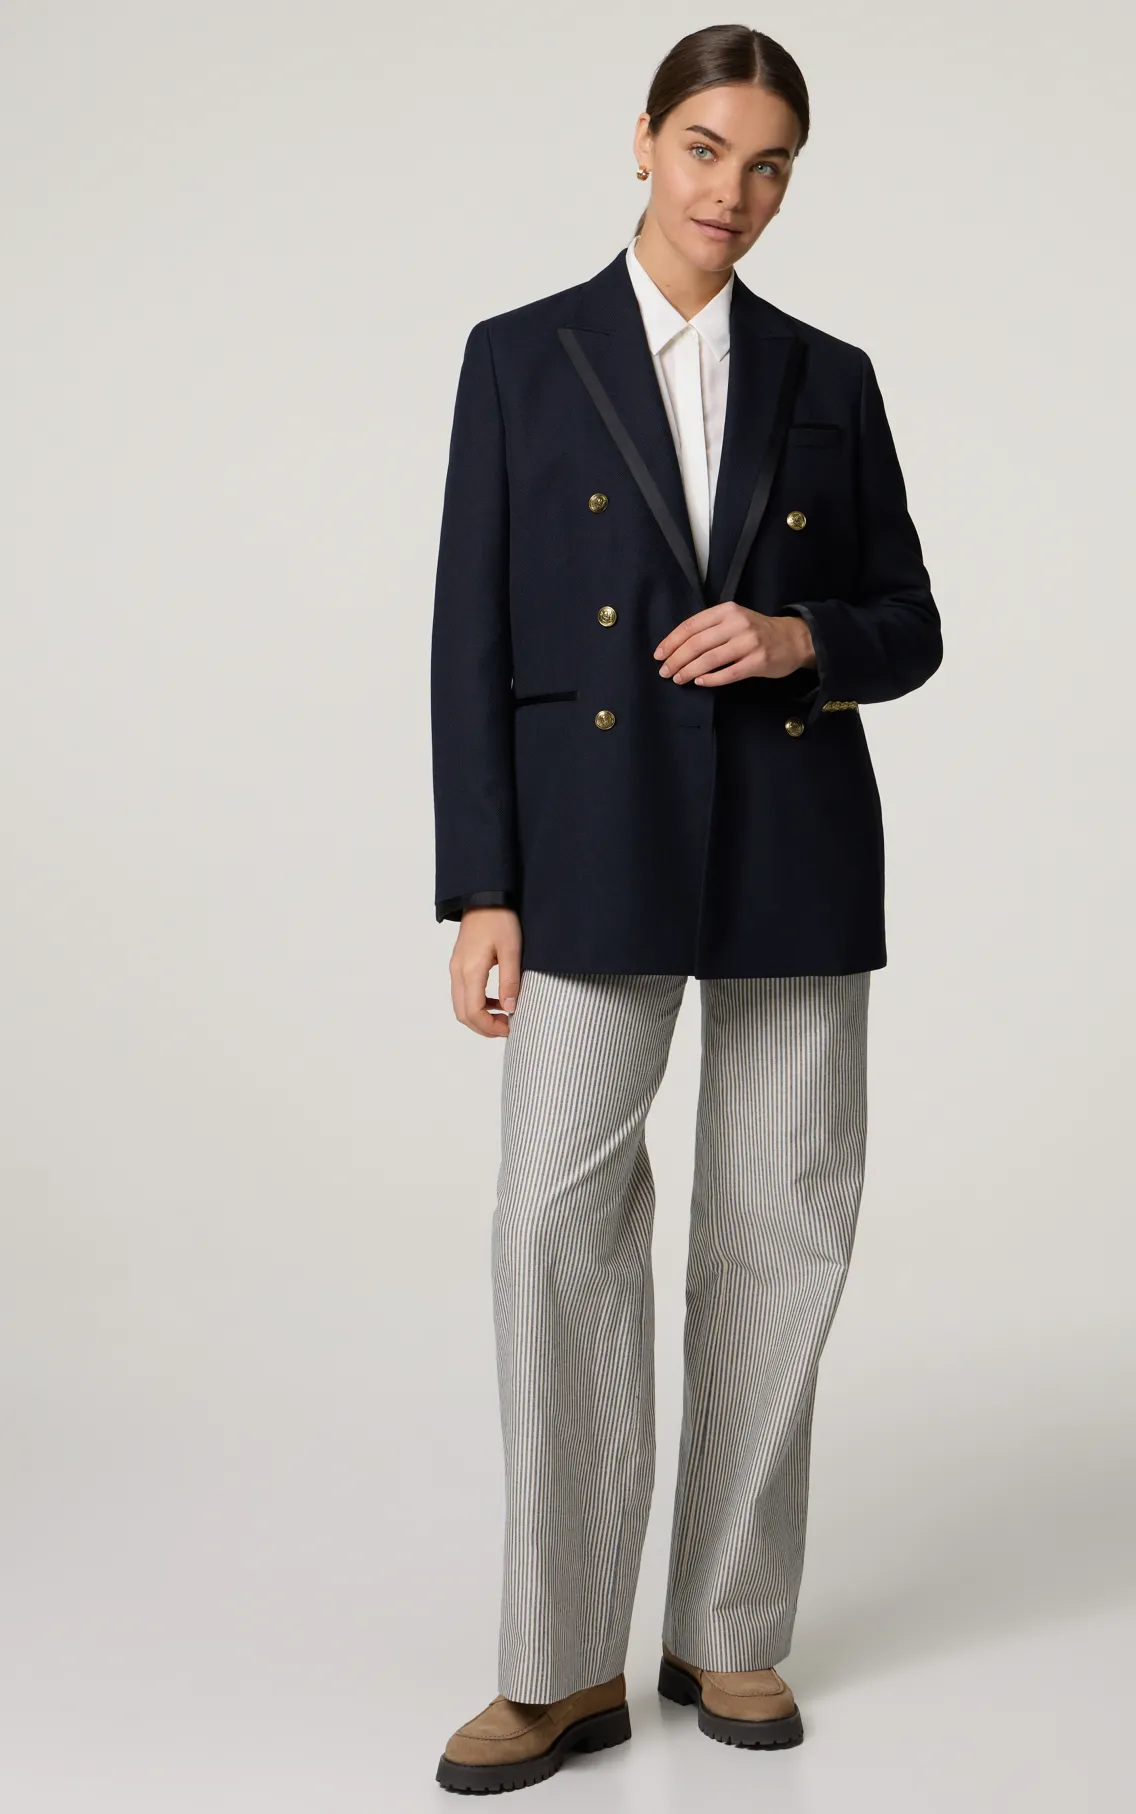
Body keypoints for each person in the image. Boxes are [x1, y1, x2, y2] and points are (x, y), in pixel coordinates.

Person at [430, 22, 942, 1795]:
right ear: (644, 140)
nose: (736, 190)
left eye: (771, 163)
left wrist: (801, 634)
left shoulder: (831, 373)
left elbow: (910, 620)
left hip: (792, 835)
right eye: (709, 148)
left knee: (780, 1229)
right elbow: (468, 631)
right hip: (591, 842)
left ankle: (727, 1622)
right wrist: (481, 886)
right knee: (551, 1232)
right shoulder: (522, 356)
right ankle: (558, 1663)